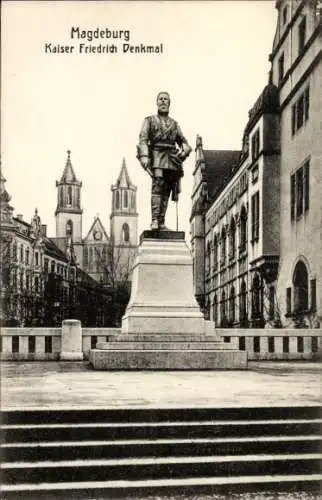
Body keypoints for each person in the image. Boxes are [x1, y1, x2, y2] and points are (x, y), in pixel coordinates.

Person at [137, 91, 192, 230]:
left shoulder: (174, 124)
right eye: (160, 99)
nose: (163, 101)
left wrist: (184, 152)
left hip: (172, 159)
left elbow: (184, 143)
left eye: (165, 100)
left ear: (169, 103)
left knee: (167, 189)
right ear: (157, 102)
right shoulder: (149, 120)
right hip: (156, 155)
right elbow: (143, 139)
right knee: (158, 185)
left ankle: (161, 221)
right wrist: (144, 155)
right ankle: (154, 219)